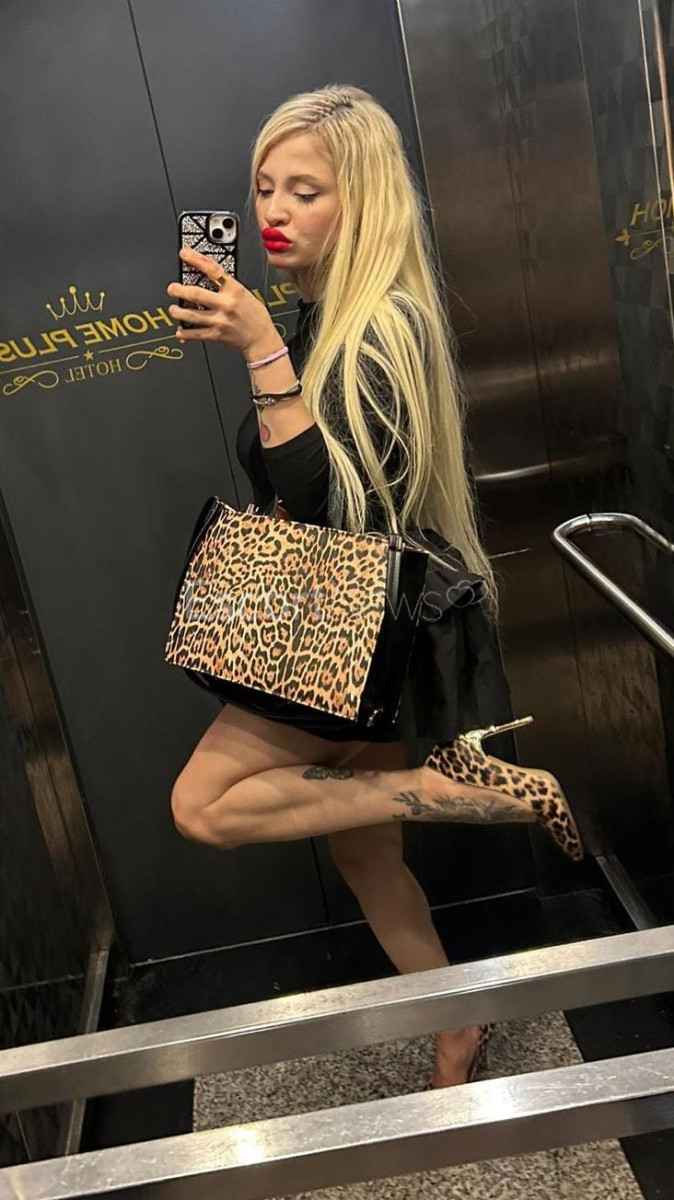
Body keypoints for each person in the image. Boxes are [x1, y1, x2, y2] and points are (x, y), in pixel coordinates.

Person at [166, 84, 583, 1090]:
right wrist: (273, 346)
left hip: (349, 640)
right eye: (265, 187)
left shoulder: (381, 325)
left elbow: (328, 505)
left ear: (361, 203)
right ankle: (455, 1023)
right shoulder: (319, 317)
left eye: (304, 191)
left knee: (203, 806)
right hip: (351, 632)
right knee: (362, 854)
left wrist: (260, 351)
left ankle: (444, 790)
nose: (273, 210)